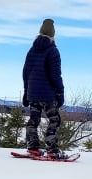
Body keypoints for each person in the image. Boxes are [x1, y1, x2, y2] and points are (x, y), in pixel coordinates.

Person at [22, 19, 65, 158]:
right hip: (48, 95)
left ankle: (33, 147)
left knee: (33, 120)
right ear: (53, 35)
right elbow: (55, 75)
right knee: (54, 120)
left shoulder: (31, 51)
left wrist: (26, 92)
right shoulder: (53, 51)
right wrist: (60, 92)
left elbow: (25, 73)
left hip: (33, 94)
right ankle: (52, 149)